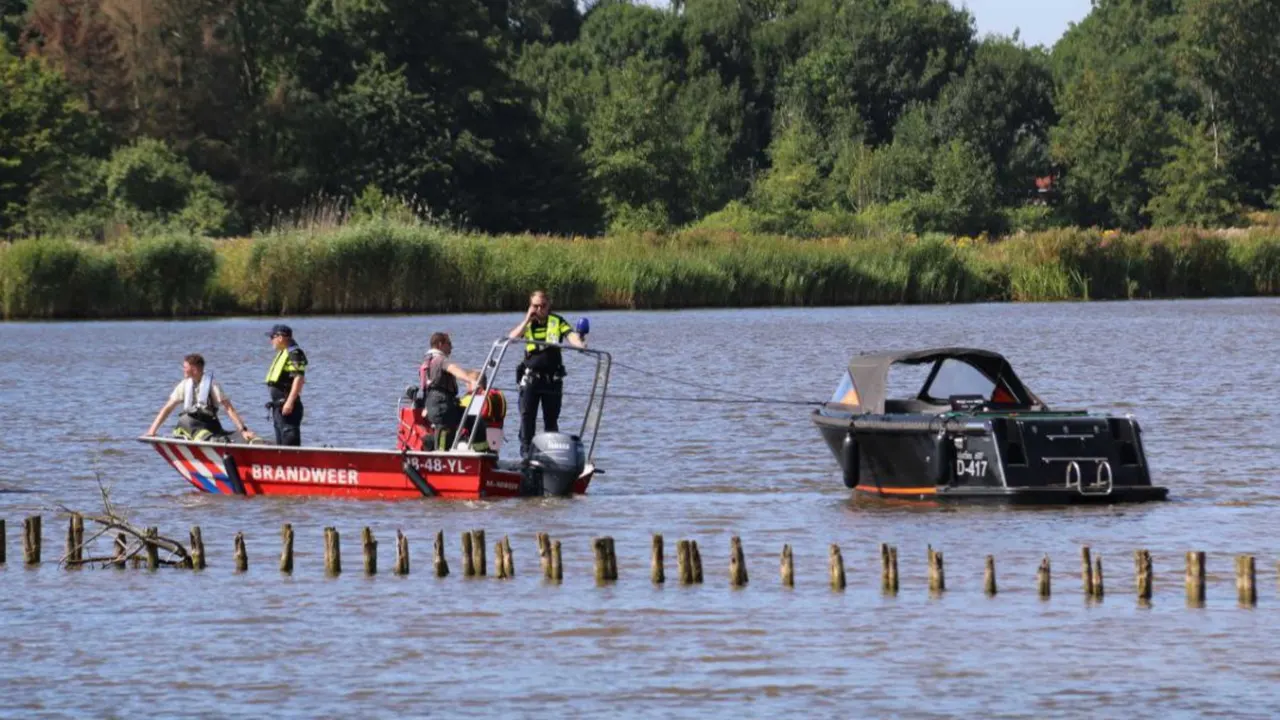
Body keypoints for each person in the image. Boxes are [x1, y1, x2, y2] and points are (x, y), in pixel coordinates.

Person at [507, 290, 586, 459]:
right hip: (531, 380)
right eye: (536, 306)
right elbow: (512, 338)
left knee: (551, 420)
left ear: (549, 305)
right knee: (527, 418)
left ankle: (551, 457)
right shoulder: (527, 323)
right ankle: (526, 456)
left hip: (552, 381)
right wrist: (527, 318)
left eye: (543, 305)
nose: (540, 309)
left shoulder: (557, 321)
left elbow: (570, 335)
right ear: (530, 306)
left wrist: (580, 344)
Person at [146, 353, 257, 442]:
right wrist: (152, 431)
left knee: (246, 438)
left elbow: (229, 408)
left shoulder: (212, 385)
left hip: (210, 424)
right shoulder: (184, 385)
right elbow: (167, 408)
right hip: (189, 425)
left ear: (194, 369)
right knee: (192, 426)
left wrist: (243, 431)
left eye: (185, 367)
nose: (183, 370)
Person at [419, 332, 480, 450]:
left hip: (436, 404)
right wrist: (470, 381)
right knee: (445, 436)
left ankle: (482, 455)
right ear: (440, 344)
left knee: (473, 420)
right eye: (449, 344)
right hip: (442, 406)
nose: (451, 347)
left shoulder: (427, 362)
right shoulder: (441, 360)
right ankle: (442, 459)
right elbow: (454, 369)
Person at [264, 324, 307, 446]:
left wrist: (290, 402)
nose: (271, 340)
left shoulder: (294, 353)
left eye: (272, 337)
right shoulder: (284, 352)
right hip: (278, 408)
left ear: (280, 337)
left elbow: (299, 378)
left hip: (288, 408)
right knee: (280, 445)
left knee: (289, 442)